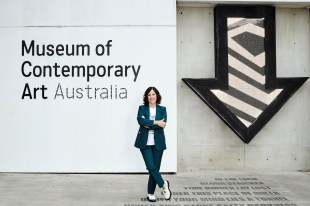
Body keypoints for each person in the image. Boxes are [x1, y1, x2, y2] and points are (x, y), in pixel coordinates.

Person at [134, 86, 171, 202]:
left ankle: (150, 193)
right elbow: (140, 121)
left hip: (158, 142)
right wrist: (156, 122)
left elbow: (163, 124)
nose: (151, 97)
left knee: (155, 169)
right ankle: (164, 185)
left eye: (153, 94)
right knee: (151, 167)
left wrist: (148, 123)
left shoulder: (162, 109)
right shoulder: (142, 108)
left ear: (157, 96)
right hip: (144, 142)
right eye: (149, 95)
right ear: (146, 97)